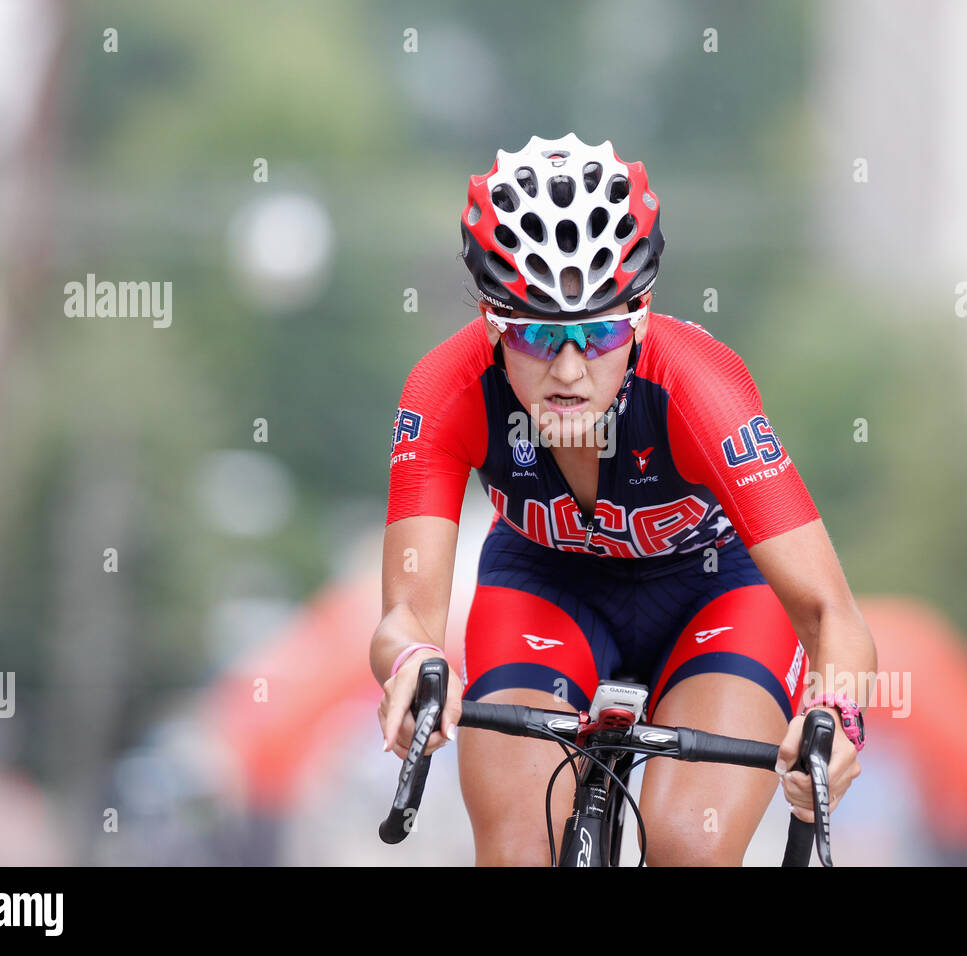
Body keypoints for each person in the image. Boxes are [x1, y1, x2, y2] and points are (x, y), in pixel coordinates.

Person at [371, 133, 876, 865]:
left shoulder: (699, 389)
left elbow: (833, 613)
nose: (569, 369)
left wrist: (837, 715)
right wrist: (413, 660)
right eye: (536, 335)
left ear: (640, 314)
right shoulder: (444, 389)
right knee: (518, 847)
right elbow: (404, 617)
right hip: (544, 586)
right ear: (489, 321)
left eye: (599, 331)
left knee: (688, 842)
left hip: (715, 589)